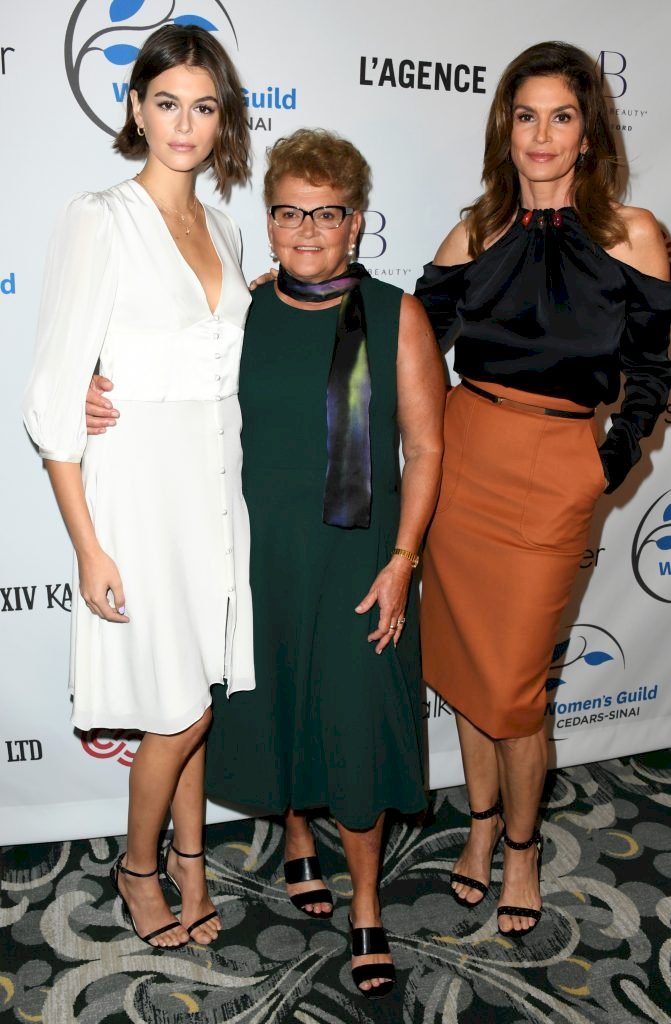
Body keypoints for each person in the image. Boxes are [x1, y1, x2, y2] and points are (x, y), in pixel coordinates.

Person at [415, 40, 671, 938]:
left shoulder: (630, 233)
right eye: (524, 115)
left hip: (555, 467)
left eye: (560, 116)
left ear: (587, 131)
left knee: (516, 685)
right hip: (465, 459)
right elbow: (411, 344)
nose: (540, 134)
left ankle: (521, 847)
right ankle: (481, 830)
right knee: (468, 673)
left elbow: (652, 368)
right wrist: (309, 296)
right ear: (504, 126)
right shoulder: (476, 229)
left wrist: (609, 460)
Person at [22, 24, 255, 948]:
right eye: (167, 103)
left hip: (216, 489)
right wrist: (88, 545)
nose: (184, 124)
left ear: (222, 118)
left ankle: (193, 861)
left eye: (203, 106)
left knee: (193, 693)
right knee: (174, 705)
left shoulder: (228, 224)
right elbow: (53, 396)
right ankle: (139, 866)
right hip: (137, 497)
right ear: (135, 107)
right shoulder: (99, 216)